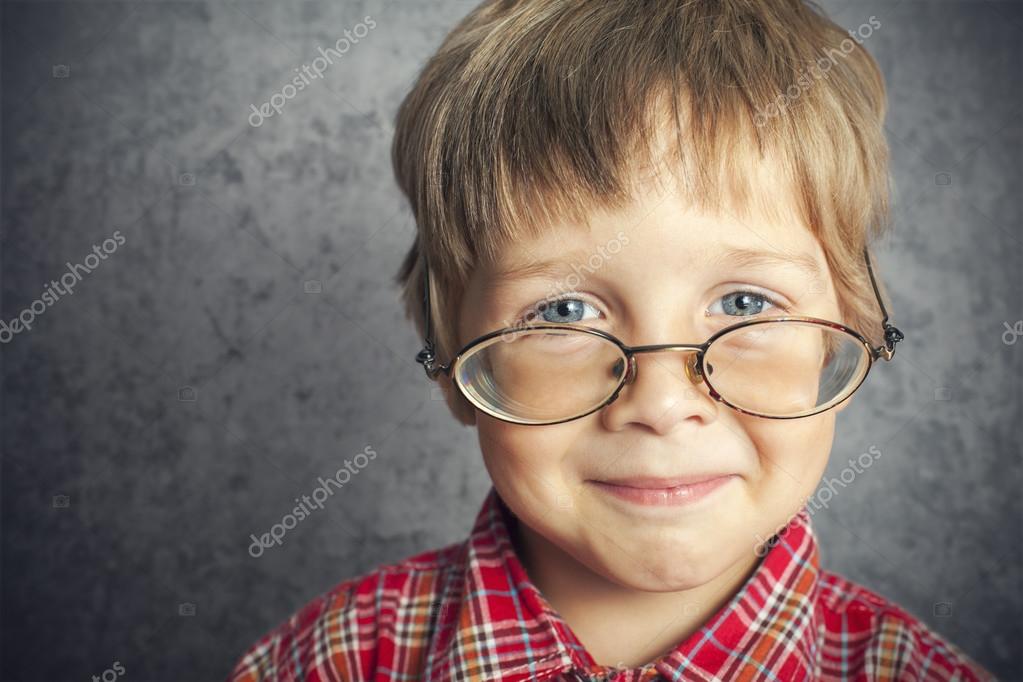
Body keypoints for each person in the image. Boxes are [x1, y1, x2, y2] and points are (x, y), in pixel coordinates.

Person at [228, 1, 993, 679]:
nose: (660, 406)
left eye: (745, 302)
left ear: (843, 334)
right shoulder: (330, 662)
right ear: (450, 360)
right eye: (562, 313)